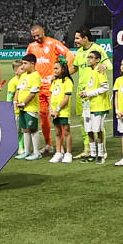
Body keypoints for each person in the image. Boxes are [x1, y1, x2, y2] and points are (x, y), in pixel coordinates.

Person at [26, 24, 72, 153]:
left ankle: (61, 146)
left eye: (38, 35)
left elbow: (69, 54)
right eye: (34, 36)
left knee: (58, 116)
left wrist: (62, 72)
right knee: (43, 117)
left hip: (53, 88)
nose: (36, 38)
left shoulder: (53, 43)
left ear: (43, 32)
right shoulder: (31, 46)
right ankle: (48, 144)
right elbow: (27, 62)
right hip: (38, 88)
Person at [79, 49, 111, 163]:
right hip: (89, 106)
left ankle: (101, 154)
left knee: (98, 130)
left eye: (91, 57)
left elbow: (105, 87)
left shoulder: (99, 70)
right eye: (88, 57)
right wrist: (84, 93)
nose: (88, 59)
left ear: (98, 60)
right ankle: (92, 154)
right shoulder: (91, 72)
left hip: (99, 106)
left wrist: (88, 93)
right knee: (89, 130)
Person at [11, 56, 44, 160]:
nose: (23, 66)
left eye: (25, 63)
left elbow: (33, 93)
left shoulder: (36, 76)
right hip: (22, 108)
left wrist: (24, 103)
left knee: (33, 129)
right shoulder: (23, 75)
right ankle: (26, 151)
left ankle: (36, 152)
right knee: (25, 129)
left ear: (32, 64)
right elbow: (18, 90)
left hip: (31, 108)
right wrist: (16, 101)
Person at [48, 56, 75, 163]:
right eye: (54, 68)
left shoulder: (67, 81)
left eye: (56, 68)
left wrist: (57, 109)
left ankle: (68, 153)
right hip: (54, 111)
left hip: (63, 111)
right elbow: (51, 95)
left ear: (63, 69)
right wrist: (51, 109)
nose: (54, 71)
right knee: (57, 132)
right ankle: (58, 152)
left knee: (66, 131)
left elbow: (66, 98)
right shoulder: (54, 81)